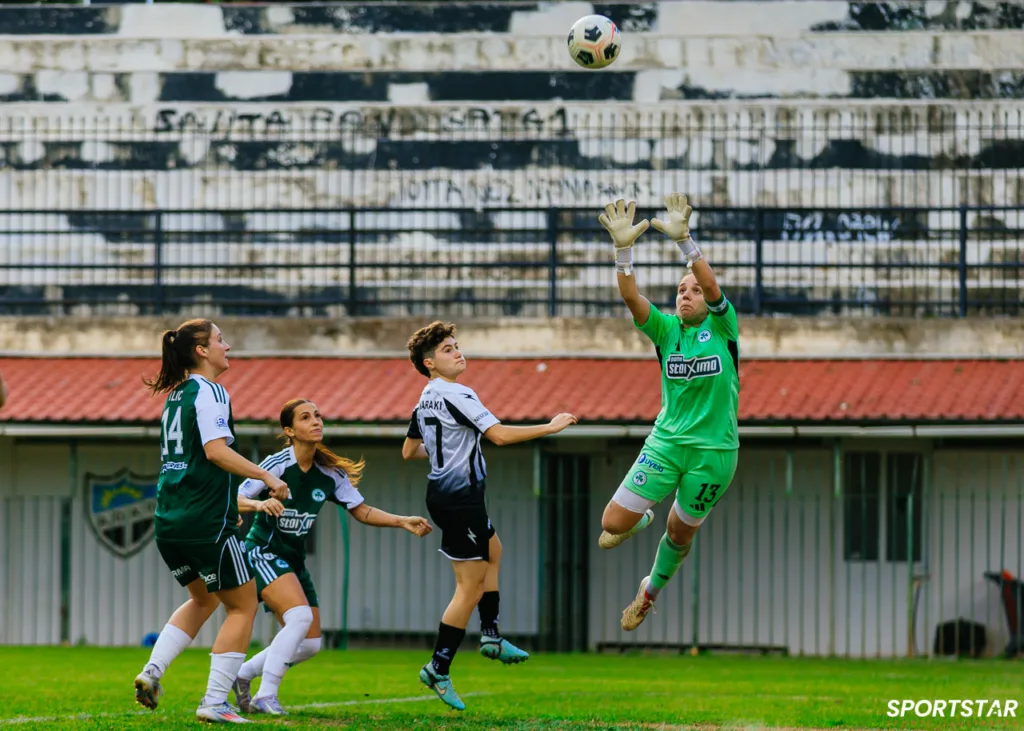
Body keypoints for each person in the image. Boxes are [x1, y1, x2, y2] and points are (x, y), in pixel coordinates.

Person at [402, 321, 578, 711]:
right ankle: (438, 667)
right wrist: (550, 427)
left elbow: (408, 450)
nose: (458, 352)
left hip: (457, 496)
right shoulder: (458, 393)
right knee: (469, 586)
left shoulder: (424, 398)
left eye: (457, 345)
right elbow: (497, 435)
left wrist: (445, 451)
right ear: (429, 363)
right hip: (458, 498)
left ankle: (492, 636)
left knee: (494, 552)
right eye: (448, 349)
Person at [231, 398, 433, 716]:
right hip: (263, 551)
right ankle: (265, 695)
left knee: (311, 643)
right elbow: (237, 498)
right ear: (289, 430)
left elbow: (362, 510)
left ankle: (242, 674)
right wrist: (259, 504)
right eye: (306, 417)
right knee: (299, 618)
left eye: (318, 416)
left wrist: (401, 520)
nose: (316, 421)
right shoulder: (276, 464)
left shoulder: (330, 474)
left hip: (293, 561)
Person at [596, 194, 740, 631]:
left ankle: (648, 594)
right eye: (681, 289)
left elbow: (712, 288)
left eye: (693, 290)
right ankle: (643, 514)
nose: (687, 294)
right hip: (667, 442)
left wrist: (687, 246)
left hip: (714, 453)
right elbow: (629, 296)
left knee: (680, 533)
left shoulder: (722, 326)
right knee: (611, 523)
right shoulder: (666, 329)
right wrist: (623, 251)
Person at [136, 318, 289, 724]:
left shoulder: (177, 395)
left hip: (169, 519)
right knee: (242, 606)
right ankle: (215, 701)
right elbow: (217, 452)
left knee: (203, 599)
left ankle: (152, 672)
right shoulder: (211, 390)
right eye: (221, 340)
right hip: (205, 522)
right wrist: (266, 475)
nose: (228, 346)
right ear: (201, 350)